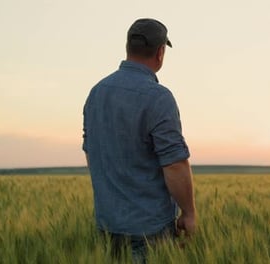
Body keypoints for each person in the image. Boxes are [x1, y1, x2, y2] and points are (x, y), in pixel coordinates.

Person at [82, 18, 196, 263]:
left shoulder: (96, 92)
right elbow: (175, 164)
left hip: (107, 224)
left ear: (127, 47)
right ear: (160, 52)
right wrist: (189, 213)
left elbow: (91, 154)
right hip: (149, 230)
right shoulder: (159, 98)